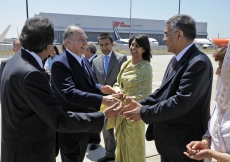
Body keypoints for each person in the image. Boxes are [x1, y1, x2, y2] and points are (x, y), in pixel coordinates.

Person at [0, 16, 122, 162]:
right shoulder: (31, 73)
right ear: (48, 45)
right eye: (81, 39)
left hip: (19, 146)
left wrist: (102, 89)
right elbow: (60, 118)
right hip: (30, 152)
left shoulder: (15, 62)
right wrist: (103, 115)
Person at [120, 14, 213, 162]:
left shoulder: (198, 63)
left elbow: (180, 102)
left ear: (179, 35)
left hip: (184, 146)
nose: (164, 38)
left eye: (166, 34)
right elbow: (162, 92)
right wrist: (141, 104)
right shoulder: (176, 59)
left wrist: (143, 112)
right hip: (169, 142)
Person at [51, 25, 121, 162]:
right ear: (68, 42)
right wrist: (103, 100)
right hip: (72, 128)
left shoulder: (83, 60)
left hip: (85, 125)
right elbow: (69, 93)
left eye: (86, 39)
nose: (86, 43)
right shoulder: (60, 63)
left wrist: (102, 88)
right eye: (81, 40)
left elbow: (92, 83)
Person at [184, 45, 230, 162]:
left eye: (221, 67)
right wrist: (205, 142)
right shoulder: (223, 102)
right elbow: (213, 129)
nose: (217, 72)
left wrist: (212, 154)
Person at [112, 34, 152, 162]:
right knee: (121, 144)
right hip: (120, 112)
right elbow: (117, 83)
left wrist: (128, 99)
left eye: (137, 46)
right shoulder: (126, 64)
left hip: (134, 113)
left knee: (134, 147)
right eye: (132, 44)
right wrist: (117, 90)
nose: (133, 48)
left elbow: (146, 94)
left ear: (144, 49)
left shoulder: (146, 68)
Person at [92, 33, 127, 162]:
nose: (104, 47)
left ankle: (122, 154)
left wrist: (118, 91)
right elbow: (93, 81)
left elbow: (125, 79)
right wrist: (101, 88)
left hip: (119, 99)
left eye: (106, 44)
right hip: (104, 101)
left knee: (121, 129)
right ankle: (110, 154)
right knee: (106, 130)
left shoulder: (121, 58)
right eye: (101, 45)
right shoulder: (95, 61)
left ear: (112, 44)